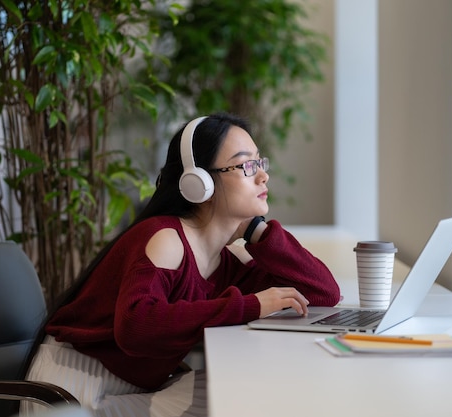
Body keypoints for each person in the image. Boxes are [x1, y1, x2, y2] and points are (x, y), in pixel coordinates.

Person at [21, 112, 341, 417]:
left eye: (260, 161)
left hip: (126, 390)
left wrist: (258, 232)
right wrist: (249, 306)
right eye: (246, 165)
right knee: (241, 400)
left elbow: (323, 292)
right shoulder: (166, 239)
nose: (263, 174)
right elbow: (135, 326)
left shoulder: (222, 262)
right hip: (74, 393)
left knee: (253, 388)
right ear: (199, 182)